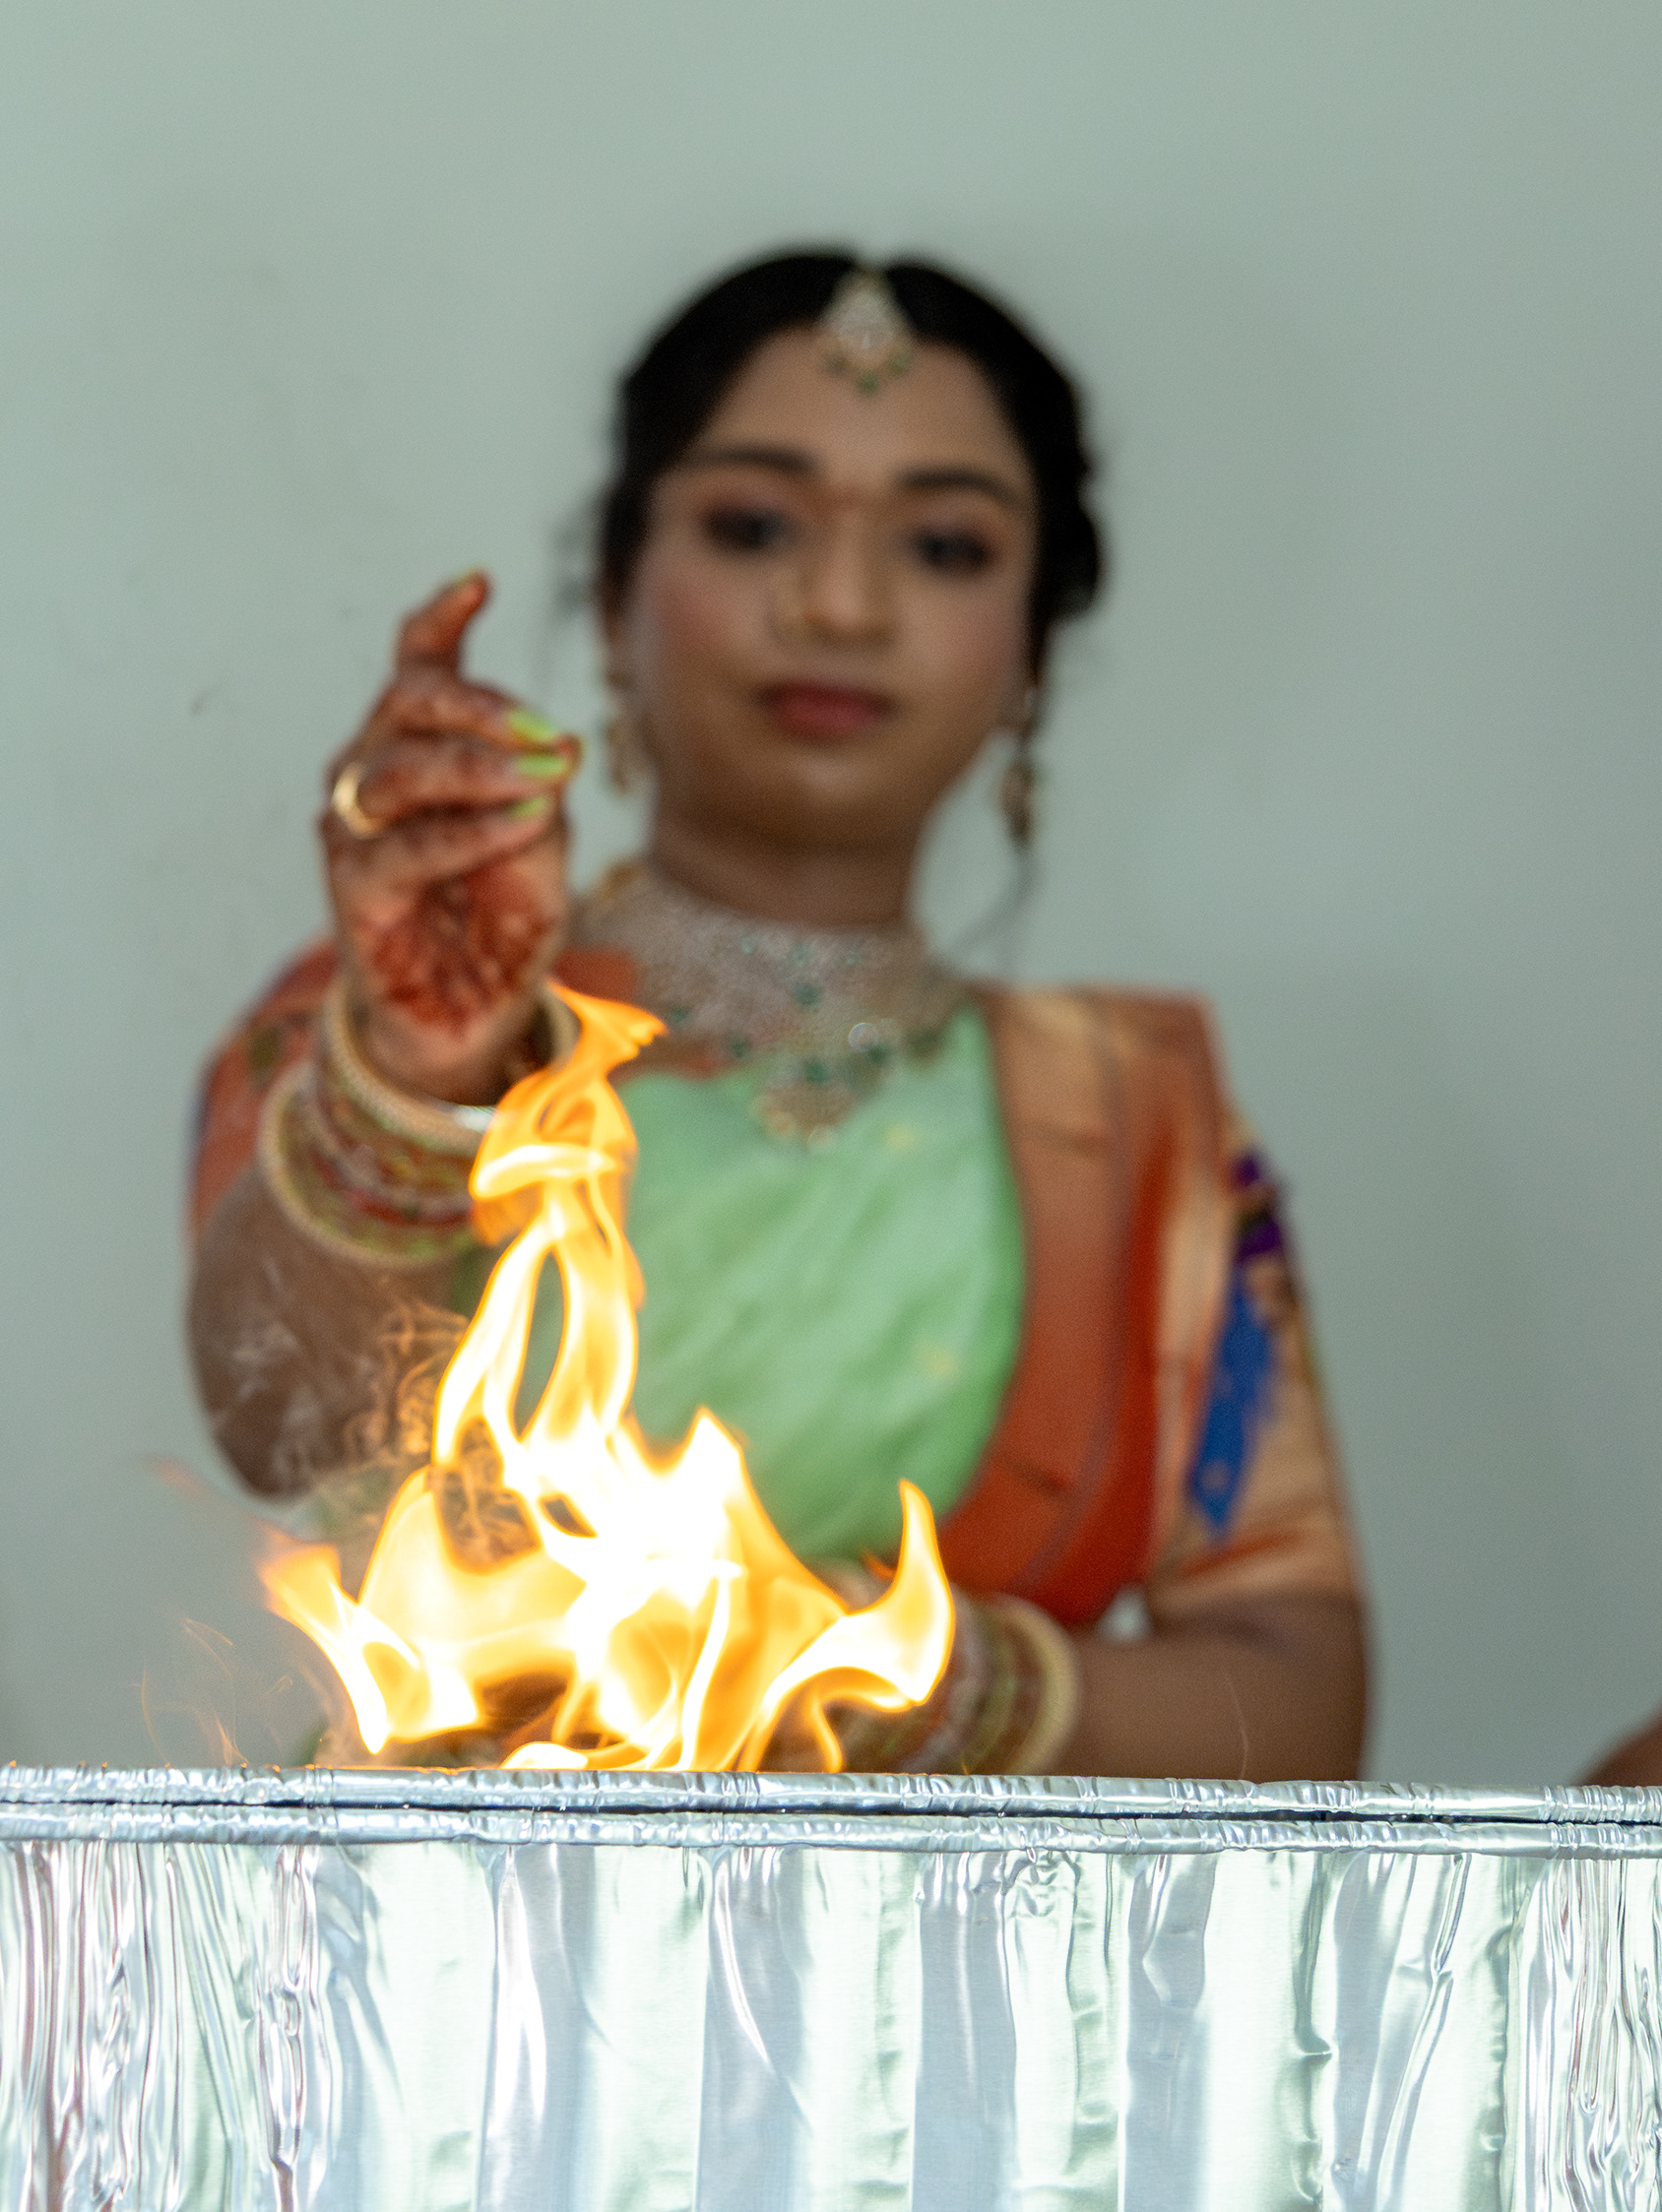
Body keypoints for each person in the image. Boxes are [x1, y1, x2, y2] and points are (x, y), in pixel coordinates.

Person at [187, 251, 1367, 1778]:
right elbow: (279, 1426)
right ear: (613, 600)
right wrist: (418, 1075)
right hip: (451, 1947)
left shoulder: (1138, 1128)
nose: (840, 603)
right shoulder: (413, 1021)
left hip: (945, 1991)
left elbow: (1302, 1703)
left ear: (1032, 652)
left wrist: (883, 1678)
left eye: (944, 545)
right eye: (754, 526)